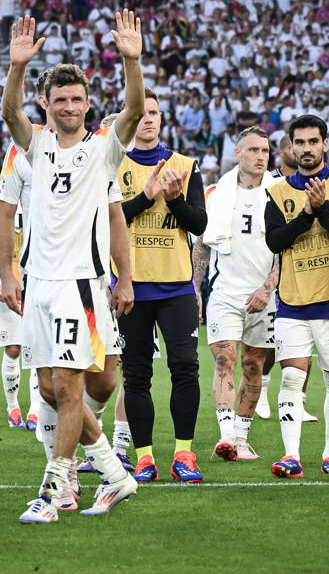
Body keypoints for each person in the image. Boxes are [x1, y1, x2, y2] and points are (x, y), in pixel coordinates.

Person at [0, 13, 141, 522]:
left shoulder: (103, 150)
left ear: (87, 104)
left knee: (70, 387)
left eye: (77, 99)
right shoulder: (33, 148)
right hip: (38, 283)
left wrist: (132, 59)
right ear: (48, 105)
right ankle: (116, 475)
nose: (69, 106)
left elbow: (134, 108)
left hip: (80, 285)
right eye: (60, 99)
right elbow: (10, 111)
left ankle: (54, 489)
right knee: (47, 391)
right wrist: (17, 68)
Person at [116, 87, 208, 483]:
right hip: (132, 289)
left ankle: (184, 455)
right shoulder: (113, 164)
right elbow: (106, 221)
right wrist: (146, 195)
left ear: (161, 119)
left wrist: (172, 200)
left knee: (185, 369)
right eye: (142, 113)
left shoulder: (185, 165)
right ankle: (145, 458)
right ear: (131, 118)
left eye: (154, 113)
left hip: (176, 288)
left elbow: (200, 224)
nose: (149, 119)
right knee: (136, 376)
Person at [264, 114, 329, 478]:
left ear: (324, 144)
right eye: (299, 143)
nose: (306, 149)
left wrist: (322, 209)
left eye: (313, 142)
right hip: (292, 303)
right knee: (291, 379)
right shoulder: (276, 192)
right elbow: (274, 241)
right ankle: (291, 455)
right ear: (291, 147)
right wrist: (306, 215)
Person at [192, 126, 278, 461]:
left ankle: (242, 438)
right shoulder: (217, 193)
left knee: (254, 366)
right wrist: (195, 288)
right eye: (254, 150)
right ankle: (226, 436)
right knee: (225, 360)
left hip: (264, 296)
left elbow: (285, 251)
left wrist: (267, 288)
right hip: (225, 292)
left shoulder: (279, 192)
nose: (261, 157)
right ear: (238, 153)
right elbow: (202, 244)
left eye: (266, 151)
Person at [260, 134, 318, 423]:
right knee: (269, 340)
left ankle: (301, 400)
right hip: (265, 266)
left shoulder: (313, 182)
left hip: (298, 269)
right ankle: (263, 383)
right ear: (283, 151)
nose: (300, 152)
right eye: (293, 147)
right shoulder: (269, 183)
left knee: (304, 341)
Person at [0, 152, 41, 430]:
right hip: (8, 283)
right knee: (14, 348)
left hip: (35, 280)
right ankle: (12, 406)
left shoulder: (43, 187)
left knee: (36, 348)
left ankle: (34, 411)